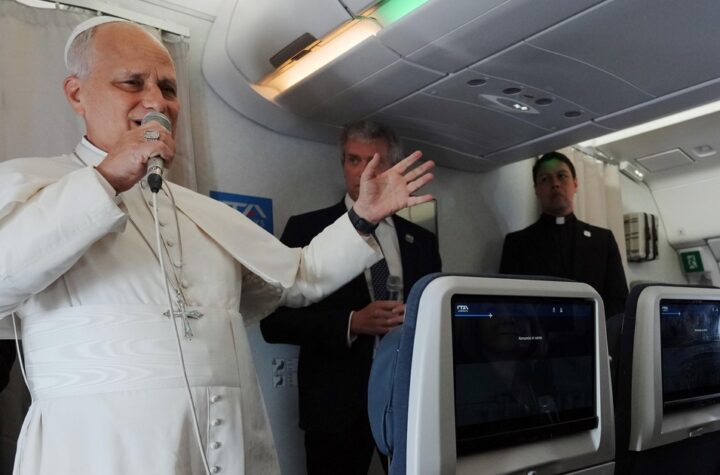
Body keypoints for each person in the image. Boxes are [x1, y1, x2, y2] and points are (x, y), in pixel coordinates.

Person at [0, 17, 434, 475]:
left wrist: (362, 217)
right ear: (76, 94)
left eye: (168, 88)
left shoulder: (202, 211)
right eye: (132, 82)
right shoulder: (31, 185)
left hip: (229, 441)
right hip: (99, 450)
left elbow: (300, 276)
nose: (156, 102)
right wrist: (106, 179)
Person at [260, 120, 441, 475]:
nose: (363, 172)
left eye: (376, 162)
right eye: (354, 160)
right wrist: (352, 322)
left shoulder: (421, 240)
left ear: (393, 167)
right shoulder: (306, 229)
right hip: (334, 403)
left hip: (407, 399)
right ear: (342, 163)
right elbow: (273, 321)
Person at [499, 151, 628, 318]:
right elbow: (508, 303)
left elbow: (619, 301)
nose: (555, 184)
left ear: (575, 183)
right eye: (545, 179)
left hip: (594, 331)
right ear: (536, 190)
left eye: (562, 176)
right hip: (537, 332)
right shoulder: (517, 243)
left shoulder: (603, 240)